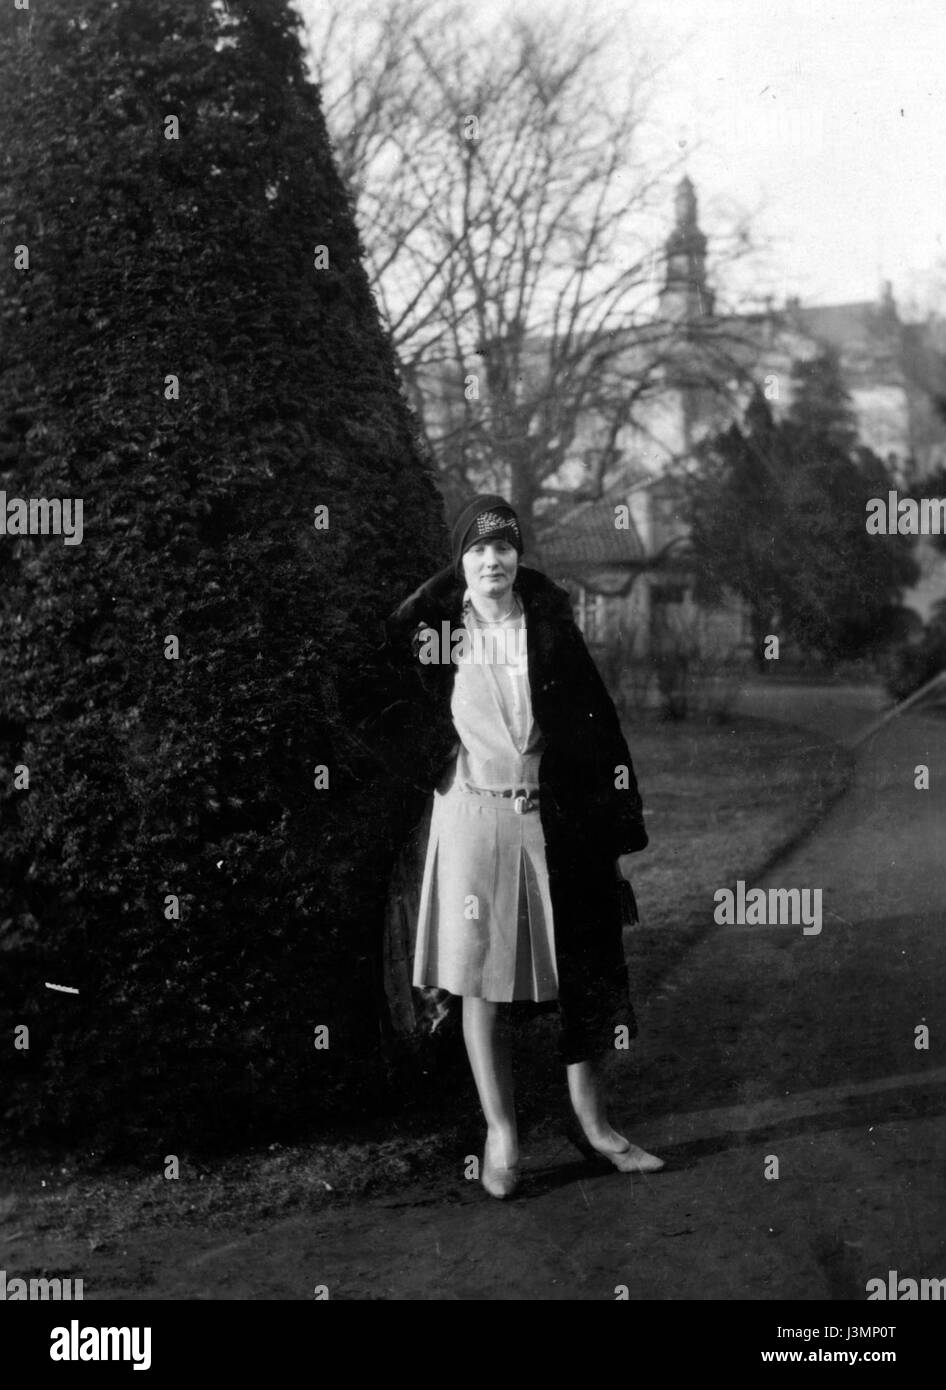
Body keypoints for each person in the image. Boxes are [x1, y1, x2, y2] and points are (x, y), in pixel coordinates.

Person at [385, 494, 663, 1198]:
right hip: (472, 822)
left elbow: (596, 723)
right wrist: (429, 761)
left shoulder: (550, 626)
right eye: (478, 550)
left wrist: (609, 806)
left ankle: (593, 1124)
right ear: (461, 561)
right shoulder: (438, 634)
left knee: (583, 970)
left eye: (504, 547)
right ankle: (501, 1134)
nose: (493, 560)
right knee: (481, 980)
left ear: (519, 556)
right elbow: (389, 710)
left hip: (557, 821)